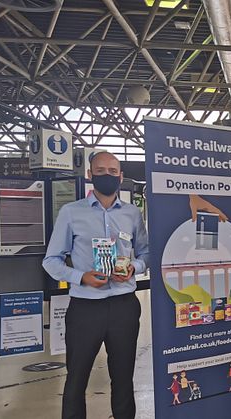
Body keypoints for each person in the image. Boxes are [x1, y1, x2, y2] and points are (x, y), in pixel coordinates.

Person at [43, 152, 149, 419]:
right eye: (101, 170)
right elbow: (51, 260)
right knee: (76, 380)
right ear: (90, 175)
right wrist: (81, 276)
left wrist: (134, 268)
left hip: (124, 306)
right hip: (85, 308)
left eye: (113, 171)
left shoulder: (131, 213)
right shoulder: (71, 212)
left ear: (121, 176)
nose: (108, 175)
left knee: (124, 378)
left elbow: (147, 253)